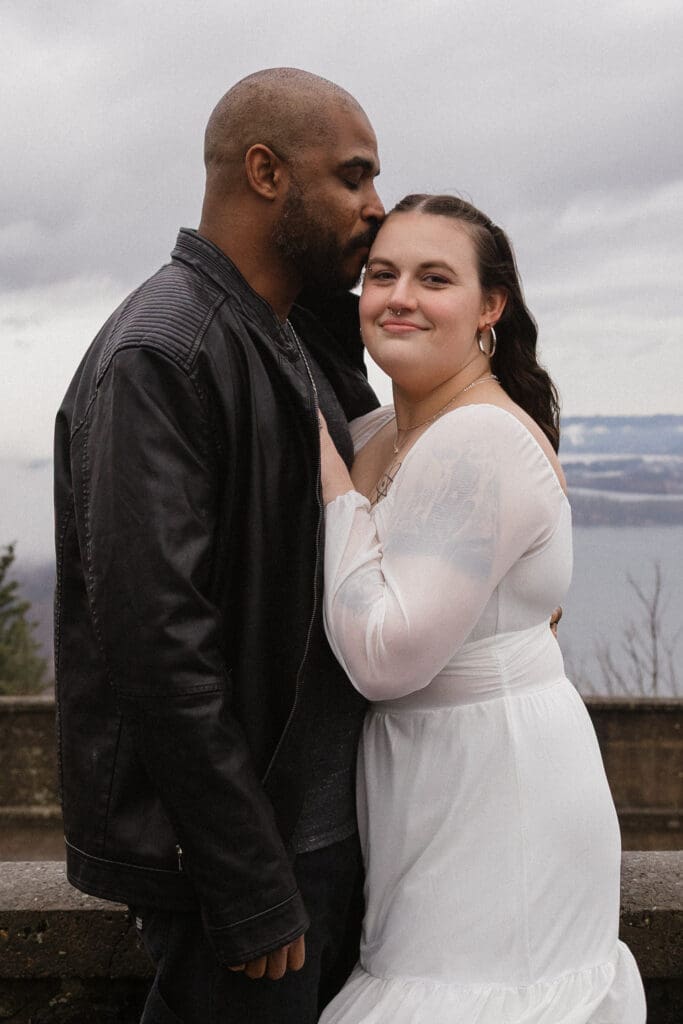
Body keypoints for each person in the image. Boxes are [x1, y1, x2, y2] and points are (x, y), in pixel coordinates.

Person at [53, 68, 384, 1023]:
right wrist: (246, 882)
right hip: (255, 863)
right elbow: (159, 646)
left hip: (325, 839)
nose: (375, 208)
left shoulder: (292, 334)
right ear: (266, 172)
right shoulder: (165, 350)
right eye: (353, 177)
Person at [317, 194, 646, 1023]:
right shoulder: (383, 430)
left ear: (487, 307)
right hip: (431, 779)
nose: (399, 296)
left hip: (495, 787)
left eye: (434, 278)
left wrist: (328, 487)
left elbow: (383, 657)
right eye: (381, 274)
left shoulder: (479, 439)